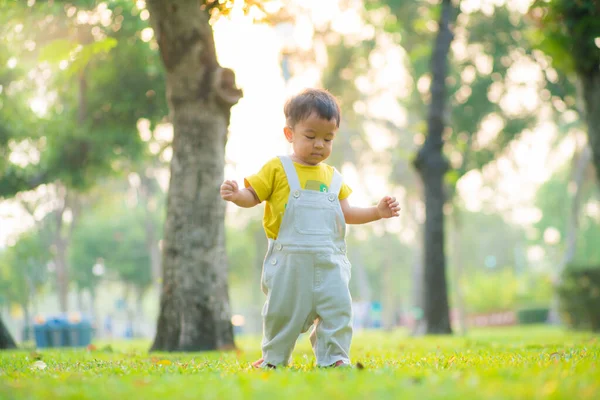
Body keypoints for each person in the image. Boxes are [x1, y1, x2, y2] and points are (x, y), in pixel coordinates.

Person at [220, 88, 400, 368]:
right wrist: (236, 195)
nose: (319, 145)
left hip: (329, 263)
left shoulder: (333, 177)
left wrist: (377, 212)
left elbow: (347, 214)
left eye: (328, 138)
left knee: (338, 310)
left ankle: (334, 358)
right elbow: (252, 196)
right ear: (290, 133)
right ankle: (274, 359)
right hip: (289, 265)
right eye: (311, 136)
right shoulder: (277, 168)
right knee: (281, 313)